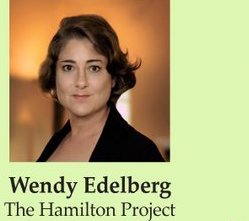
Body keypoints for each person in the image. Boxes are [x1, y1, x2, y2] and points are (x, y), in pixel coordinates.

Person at [35, 15, 163, 162]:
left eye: (94, 68)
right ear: (54, 76)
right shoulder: (55, 143)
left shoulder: (141, 153)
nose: (81, 82)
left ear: (113, 78)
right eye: (68, 67)